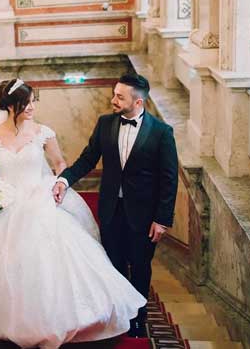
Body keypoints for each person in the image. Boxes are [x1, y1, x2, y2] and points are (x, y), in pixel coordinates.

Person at [0, 79, 146, 348]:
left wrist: (57, 185)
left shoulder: (44, 133)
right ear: (10, 106)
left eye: (33, 101)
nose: (32, 106)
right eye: (26, 103)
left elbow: (59, 164)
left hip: (40, 200)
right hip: (6, 206)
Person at [53, 72, 179, 337]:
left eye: (120, 97)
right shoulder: (105, 124)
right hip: (110, 208)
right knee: (114, 262)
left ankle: (139, 317)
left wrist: (162, 219)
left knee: (141, 265)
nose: (113, 100)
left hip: (144, 215)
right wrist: (64, 180)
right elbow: (88, 159)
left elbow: (169, 180)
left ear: (138, 103)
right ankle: (120, 314)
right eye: (114, 94)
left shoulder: (162, 133)